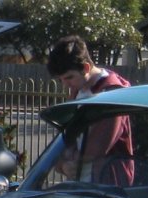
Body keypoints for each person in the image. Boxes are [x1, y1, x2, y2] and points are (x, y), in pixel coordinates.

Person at [46, 35, 133, 185]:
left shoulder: (113, 92)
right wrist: (63, 165)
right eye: (61, 80)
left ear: (86, 68)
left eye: (69, 77)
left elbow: (97, 147)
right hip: (81, 183)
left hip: (109, 185)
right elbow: (67, 136)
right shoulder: (78, 91)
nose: (65, 84)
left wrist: (68, 159)